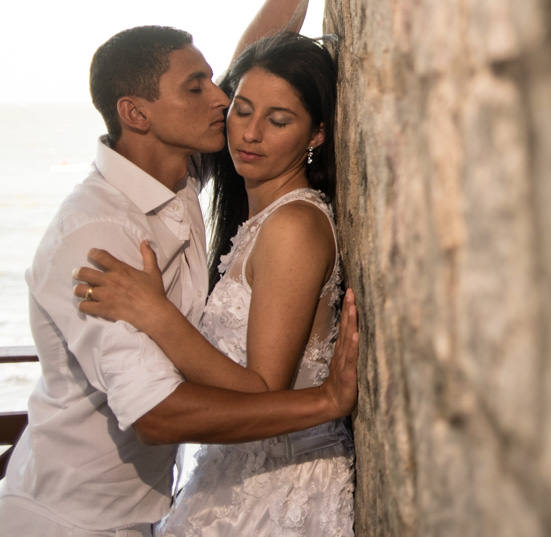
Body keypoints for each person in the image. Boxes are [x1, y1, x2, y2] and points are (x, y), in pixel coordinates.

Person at [0, 0, 359, 537]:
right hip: (69, 518)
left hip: (151, 509)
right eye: (198, 88)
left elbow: (259, 66)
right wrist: (327, 401)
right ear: (138, 114)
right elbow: (160, 410)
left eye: (222, 89)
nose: (224, 102)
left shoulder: (182, 172)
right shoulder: (95, 235)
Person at [78, 32, 353, 536]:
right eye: (242, 110)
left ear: (316, 134)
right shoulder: (260, 219)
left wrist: (155, 314)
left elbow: (263, 390)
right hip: (233, 474)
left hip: (279, 492)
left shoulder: (293, 227)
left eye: (278, 121)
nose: (250, 134)